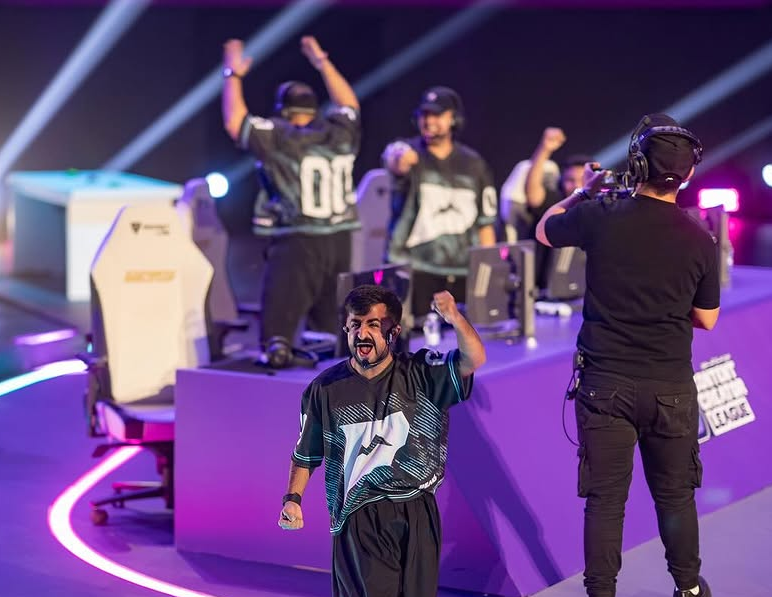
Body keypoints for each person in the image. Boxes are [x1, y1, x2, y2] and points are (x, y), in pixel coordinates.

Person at [535, 113, 719, 597]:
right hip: (670, 390)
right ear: (686, 175)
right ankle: (688, 594)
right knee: (675, 497)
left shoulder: (600, 215)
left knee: (605, 502)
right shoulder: (700, 238)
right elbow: (707, 319)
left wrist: (583, 191)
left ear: (636, 165)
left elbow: (545, 230)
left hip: (604, 387)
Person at [279, 284, 486, 597]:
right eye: (355, 325)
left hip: (418, 508)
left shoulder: (421, 373)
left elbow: (473, 360)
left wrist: (454, 317)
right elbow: (306, 453)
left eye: (374, 324)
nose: (363, 334)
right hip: (360, 515)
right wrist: (293, 498)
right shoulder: (325, 389)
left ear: (393, 332)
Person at [222, 35, 360, 367]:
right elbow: (350, 105)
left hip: (297, 239)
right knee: (332, 334)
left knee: (278, 336)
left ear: (284, 110)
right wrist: (322, 62)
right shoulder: (338, 133)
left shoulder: (278, 135)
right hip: (339, 239)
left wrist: (233, 74)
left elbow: (234, 122)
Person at [382, 87, 496, 318]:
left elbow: (485, 224)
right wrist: (398, 159)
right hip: (414, 270)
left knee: (463, 337)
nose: (429, 121)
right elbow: (394, 158)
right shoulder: (410, 152)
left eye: (437, 114)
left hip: (463, 272)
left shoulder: (474, 164)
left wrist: (487, 272)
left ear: (454, 118)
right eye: (425, 114)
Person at [520, 127, 591, 291]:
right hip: (547, 293)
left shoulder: (602, 208)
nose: (576, 186)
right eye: (570, 180)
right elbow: (533, 195)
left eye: (582, 180)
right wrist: (545, 149)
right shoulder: (556, 203)